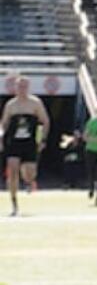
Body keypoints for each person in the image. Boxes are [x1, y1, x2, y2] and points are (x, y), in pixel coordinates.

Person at [1, 75, 51, 216]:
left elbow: (45, 121)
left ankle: (29, 181)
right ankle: (14, 203)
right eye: (19, 86)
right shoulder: (11, 105)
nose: (22, 89)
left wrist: (42, 139)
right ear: (15, 88)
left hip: (29, 142)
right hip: (14, 142)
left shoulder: (35, 103)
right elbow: (3, 124)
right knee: (12, 170)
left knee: (29, 173)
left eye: (24, 86)